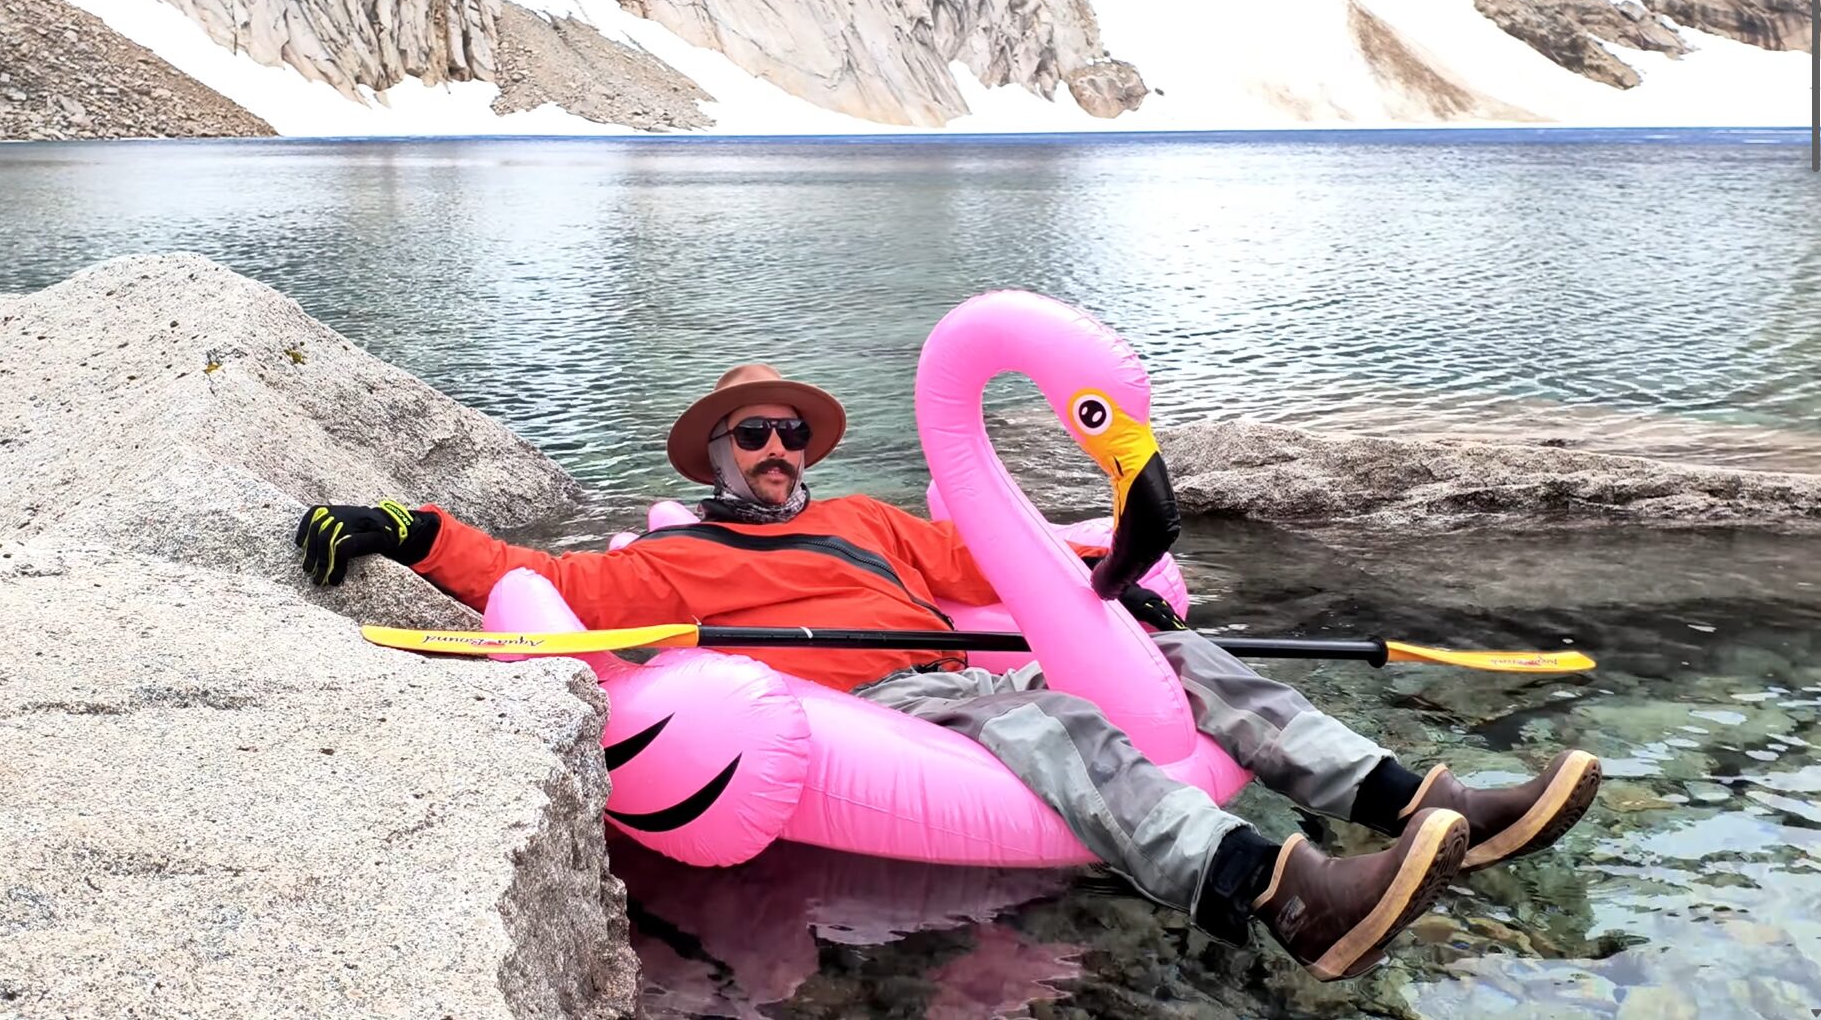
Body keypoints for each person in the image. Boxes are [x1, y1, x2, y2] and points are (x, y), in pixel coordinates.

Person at [295, 362, 1601, 982]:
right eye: (752, 437)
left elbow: (993, 567)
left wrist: (1110, 562)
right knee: (1062, 735)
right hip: (879, 699)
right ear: (712, 458)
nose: (776, 450)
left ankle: (1406, 797)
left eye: (789, 435)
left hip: (962, 657)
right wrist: (406, 532)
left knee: (1180, 654)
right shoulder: (672, 564)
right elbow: (541, 582)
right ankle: (1279, 896)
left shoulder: (869, 520)